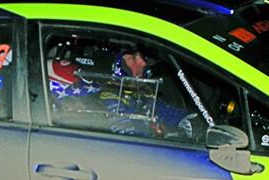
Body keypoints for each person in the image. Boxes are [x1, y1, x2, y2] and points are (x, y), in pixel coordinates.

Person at [48, 43, 199, 140]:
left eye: (142, 57)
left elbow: (162, 110)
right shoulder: (103, 93)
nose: (143, 63)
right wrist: (166, 136)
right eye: (133, 57)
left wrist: (192, 122)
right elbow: (126, 133)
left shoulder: (138, 89)